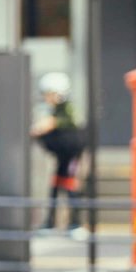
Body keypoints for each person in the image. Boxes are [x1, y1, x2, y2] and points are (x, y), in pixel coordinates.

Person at [31, 72, 86, 236]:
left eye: (49, 94)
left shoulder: (68, 110)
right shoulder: (55, 110)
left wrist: (51, 124)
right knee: (55, 186)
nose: (47, 98)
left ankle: (75, 223)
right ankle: (50, 222)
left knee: (70, 186)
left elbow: (72, 122)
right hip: (63, 156)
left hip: (71, 156)